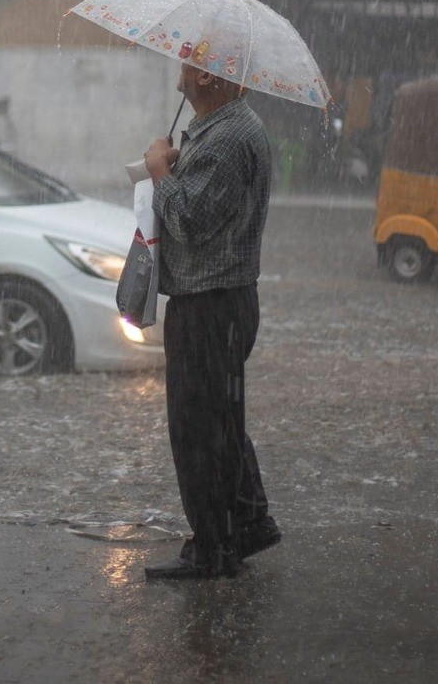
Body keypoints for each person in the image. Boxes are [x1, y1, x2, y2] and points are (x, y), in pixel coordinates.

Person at [140, 61, 280, 580]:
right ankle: (245, 524)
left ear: (208, 78)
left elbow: (189, 221)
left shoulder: (227, 138)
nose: (177, 62)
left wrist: (159, 171)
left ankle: (213, 550)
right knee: (221, 422)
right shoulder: (226, 128)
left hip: (210, 305)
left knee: (198, 429)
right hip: (220, 301)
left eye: (188, 58)